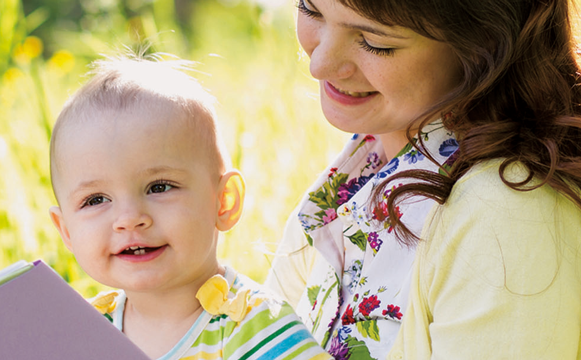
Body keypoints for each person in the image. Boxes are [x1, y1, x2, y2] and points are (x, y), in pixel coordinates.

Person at [266, 0, 581, 359]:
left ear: (482, 44)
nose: (318, 64)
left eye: (374, 42)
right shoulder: (362, 165)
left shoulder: (508, 218)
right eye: (311, 9)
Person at [47, 55, 332, 360]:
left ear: (224, 201)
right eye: (96, 200)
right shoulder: (84, 335)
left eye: (159, 187)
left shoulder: (254, 326)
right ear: (65, 230)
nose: (129, 220)